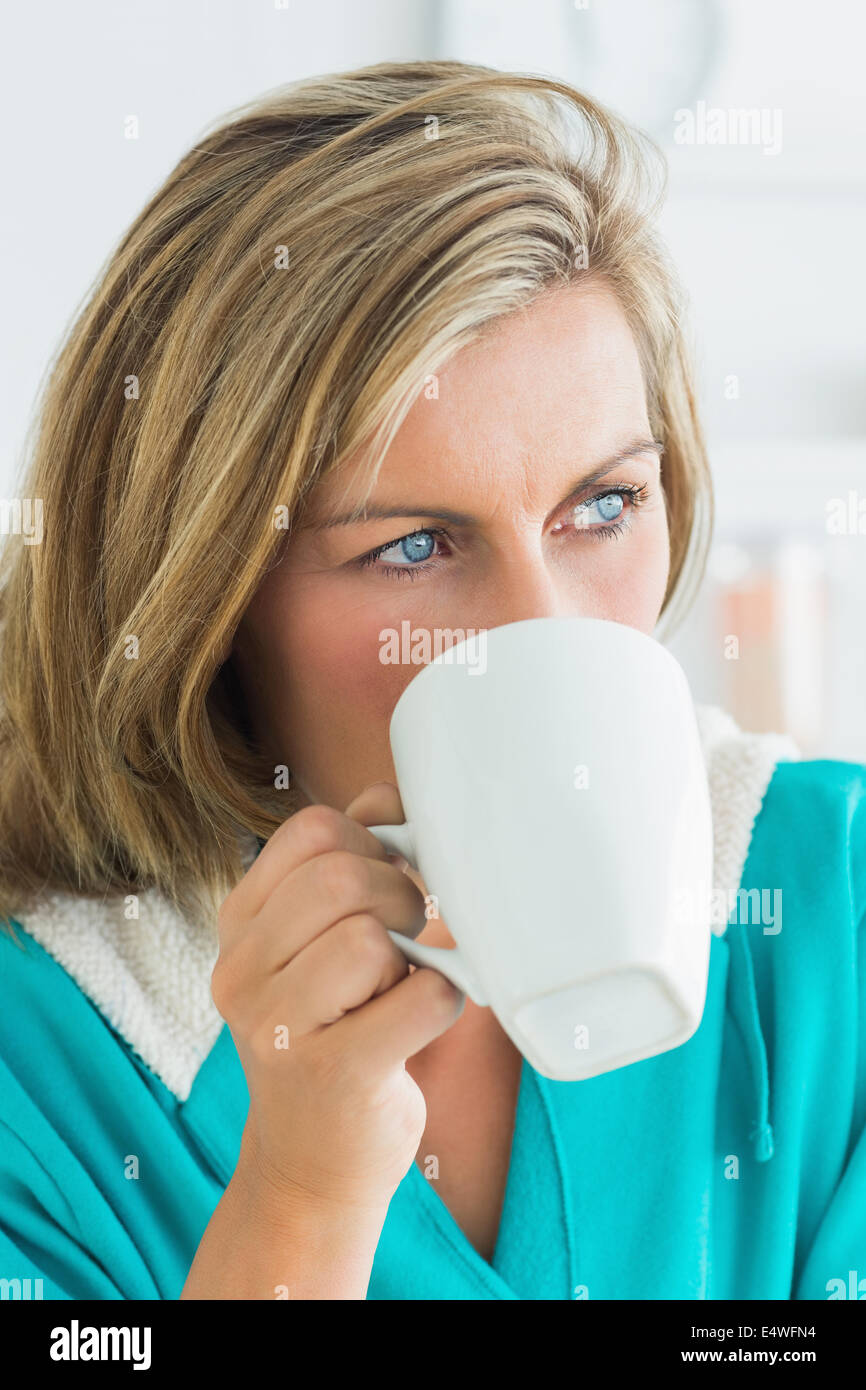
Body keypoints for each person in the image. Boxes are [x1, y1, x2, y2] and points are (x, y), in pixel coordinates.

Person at [0, 60, 863, 1302]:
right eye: (411, 546)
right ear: (209, 605)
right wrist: (300, 1202)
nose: (543, 622)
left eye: (603, 505)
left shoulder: (832, 902)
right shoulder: (48, 1071)